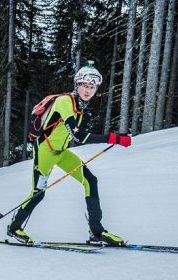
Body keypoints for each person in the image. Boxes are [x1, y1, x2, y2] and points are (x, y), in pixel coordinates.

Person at [7, 61, 131, 246]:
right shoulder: (64, 102)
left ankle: (97, 231)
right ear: (77, 85)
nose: (88, 90)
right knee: (39, 193)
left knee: (90, 181)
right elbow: (78, 136)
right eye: (85, 86)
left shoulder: (80, 107)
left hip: (62, 152)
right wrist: (113, 138)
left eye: (92, 87)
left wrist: (115, 138)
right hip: (45, 151)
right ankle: (14, 227)